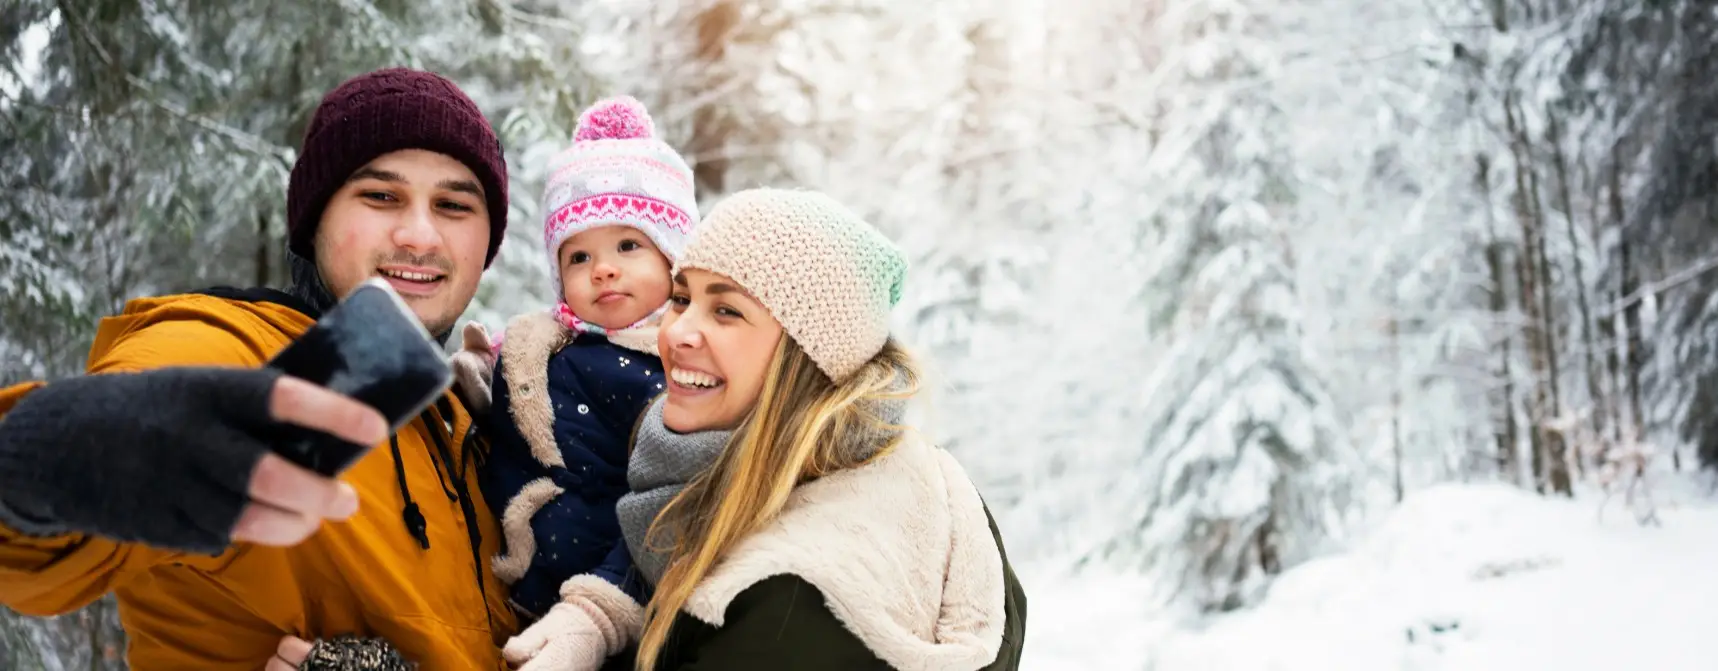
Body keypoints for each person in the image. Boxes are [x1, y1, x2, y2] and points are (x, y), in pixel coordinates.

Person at [0, 67, 521, 670]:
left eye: (454, 205)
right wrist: (48, 458)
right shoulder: (245, 353)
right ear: (315, 220)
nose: (419, 235)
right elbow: (27, 543)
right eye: (381, 196)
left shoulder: (465, 423)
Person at [513, 188, 1029, 670]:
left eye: (726, 310)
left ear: (806, 358)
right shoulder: (864, 472)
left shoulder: (790, 599)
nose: (677, 332)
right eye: (680, 298)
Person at [472, 95, 699, 670]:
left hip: (619, 589)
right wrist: (479, 383)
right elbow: (509, 416)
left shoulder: (679, 362)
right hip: (516, 591)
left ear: (673, 258)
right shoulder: (543, 343)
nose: (602, 268)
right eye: (578, 256)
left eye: (628, 245)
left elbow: (684, 490)